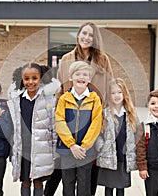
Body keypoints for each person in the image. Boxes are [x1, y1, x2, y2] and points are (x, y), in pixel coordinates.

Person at [47, 21, 113, 196]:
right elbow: (60, 90)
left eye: (91, 35)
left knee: (89, 173)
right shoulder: (67, 59)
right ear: (78, 35)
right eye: (84, 33)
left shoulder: (102, 59)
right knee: (65, 171)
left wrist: (104, 118)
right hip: (69, 120)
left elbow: (109, 86)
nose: (86, 37)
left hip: (94, 120)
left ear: (95, 39)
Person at [7, 63, 60, 196]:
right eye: (26, 79)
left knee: (38, 182)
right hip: (24, 147)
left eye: (34, 78)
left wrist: (54, 150)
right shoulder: (17, 99)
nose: (30, 82)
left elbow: (53, 125)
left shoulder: (48, 99)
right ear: (21, 79)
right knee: (25, 181)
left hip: (41, 148)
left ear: (41, 78)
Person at [55, 61, 103, 196]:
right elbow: (60, 121)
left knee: (84, 183)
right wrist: (71, 145)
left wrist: (84, 146)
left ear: (89, 79)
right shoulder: (64, 98)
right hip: (67, 149)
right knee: (68, 183)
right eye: (77, 74)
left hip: (85, 151)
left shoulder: (94, 99)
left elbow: (96, 123)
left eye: (85, 74)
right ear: (70, 77)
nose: (81, 77)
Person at [95, 78, 138, 196]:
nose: (116, 96)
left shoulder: (130, 113)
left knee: (121, 187)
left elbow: (135, 134)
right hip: (109, 156)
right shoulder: (104, 113)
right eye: (113, 93)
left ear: (124, 94)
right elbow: (98, 134)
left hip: (123, 157)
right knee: (109, 188)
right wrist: (102, 147)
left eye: (119, 92)